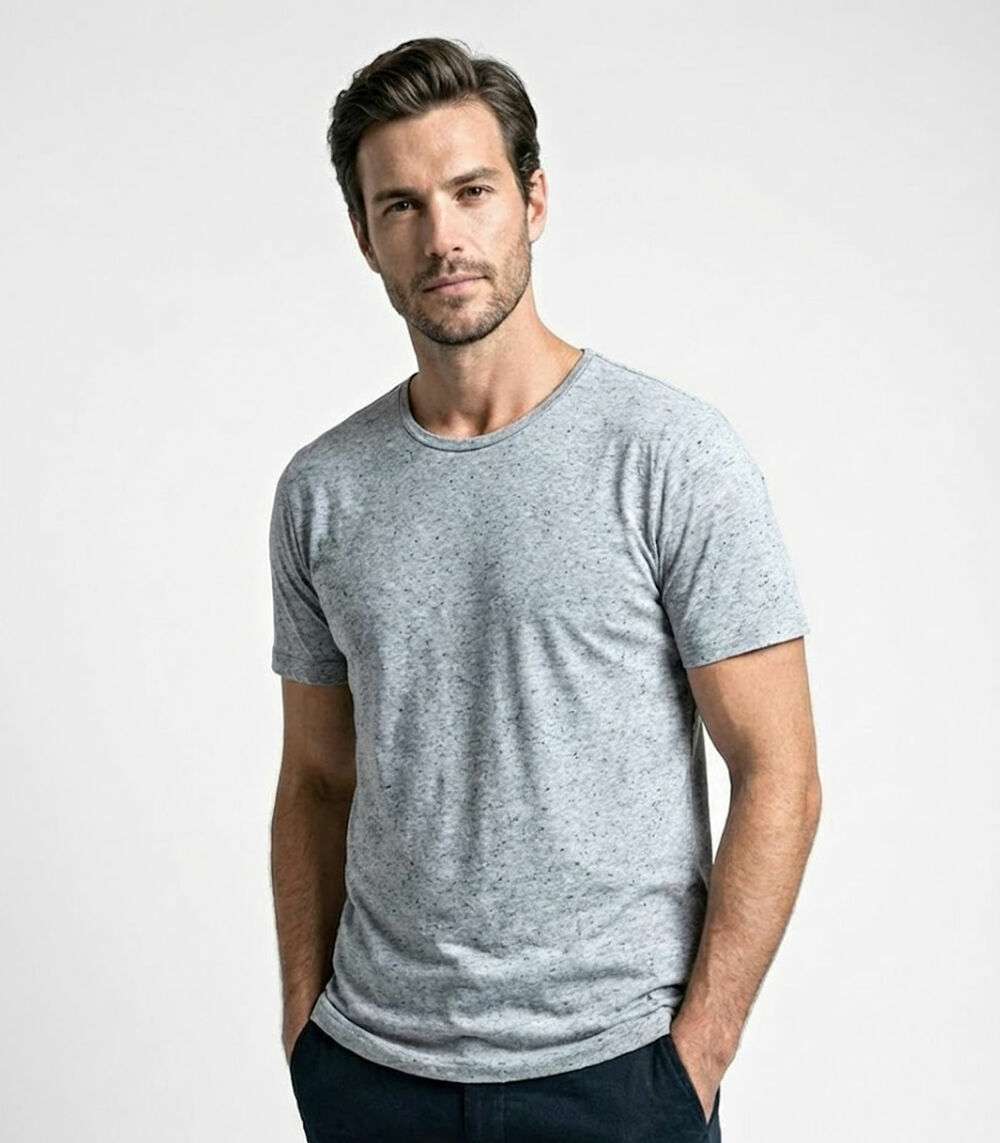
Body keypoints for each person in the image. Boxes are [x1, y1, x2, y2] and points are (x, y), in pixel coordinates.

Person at [268, 35, 820, 1143]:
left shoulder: (667, 455)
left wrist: (694, 1059)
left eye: (472, 191)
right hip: (371, 1074)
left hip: (614, 1076)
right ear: (365, 237)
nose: (443, 237)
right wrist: (304, 1032)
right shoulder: (323, 489)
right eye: (401, 206)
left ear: (533, 199)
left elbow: (781, 772)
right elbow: (318, 780)